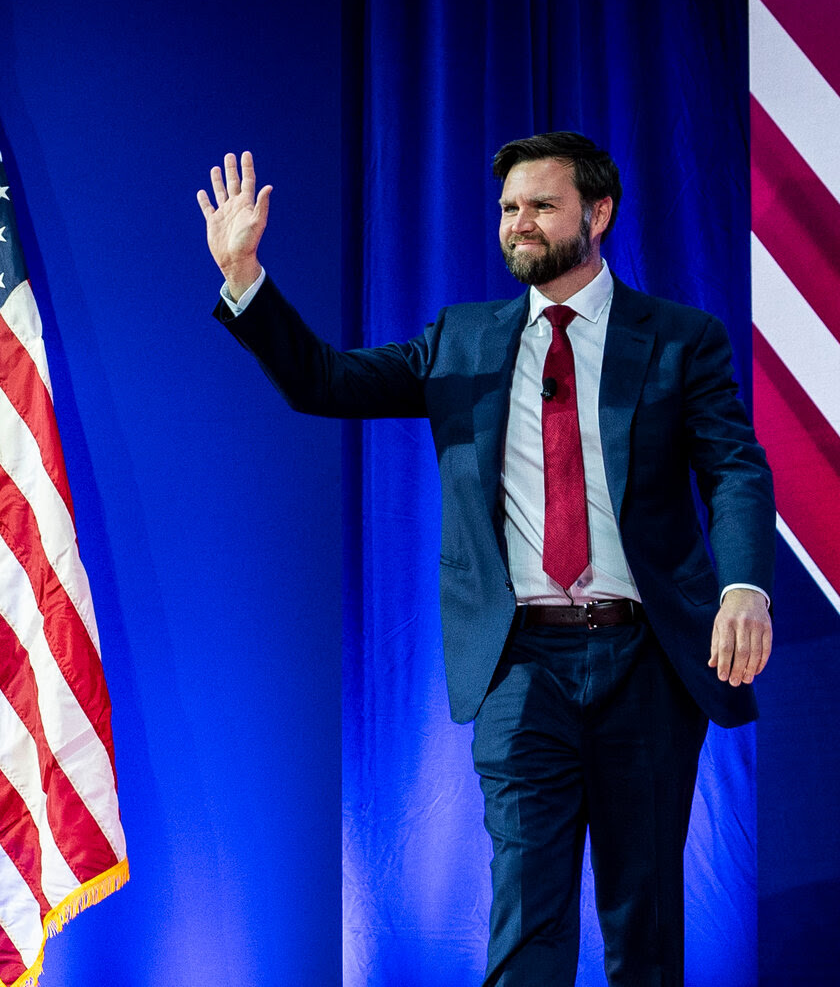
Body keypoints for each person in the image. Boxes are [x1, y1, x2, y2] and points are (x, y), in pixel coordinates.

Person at [198, 133, 774, 985]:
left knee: (644, 922)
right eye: (508, 208)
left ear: (598, 212)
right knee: (526, 918)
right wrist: (245, 277)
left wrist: (743, 585)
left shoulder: (681, 340)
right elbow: (324, 381)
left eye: (541, 204)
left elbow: (734, 467)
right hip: (522, 667)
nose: (519, 223)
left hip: (648, 661)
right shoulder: (461, 341)